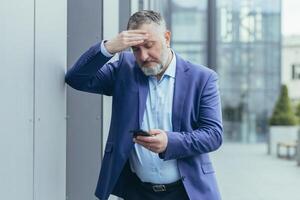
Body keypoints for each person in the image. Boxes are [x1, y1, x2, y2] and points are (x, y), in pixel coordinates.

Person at [65, 10, 223, 200]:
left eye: (149, 45)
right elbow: (77, 79)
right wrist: (109, 48)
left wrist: (169, 142)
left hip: (187, 192)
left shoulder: (202, 78)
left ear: (166, 38)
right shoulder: (125, 69)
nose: (143, 56)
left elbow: (213, 134)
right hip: (138, 192)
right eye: (135, 49)